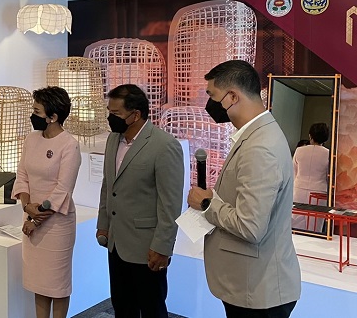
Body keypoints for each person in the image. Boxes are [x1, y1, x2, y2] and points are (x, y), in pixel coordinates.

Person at [188, 60, 301, 318]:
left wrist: (207, 204)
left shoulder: (260, 146)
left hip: (258, 292)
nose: (209, 104)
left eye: (212, 96)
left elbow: (250, 226)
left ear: (232, 97)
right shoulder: (256, 135)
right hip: (251, 284)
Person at [96, 84, 184, 318]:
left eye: (115, 113)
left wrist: (162, 247)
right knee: (122, 306)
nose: (110, 118)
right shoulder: (113, 140)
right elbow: (108, 186)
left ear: (135, 114)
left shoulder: (164, 145)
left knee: (152, 308)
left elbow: (170, 204)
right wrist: (103, 225)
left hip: (147, 248)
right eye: (109, 112)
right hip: (116, 243)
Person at [11, 86, 81, 318]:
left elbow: (62, 190)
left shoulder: (69, 145)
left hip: (56, 225)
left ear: (53, 117)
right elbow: (22, 176)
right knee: (39, 284)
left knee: (57, 286)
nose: (33, 116)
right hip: (31, 218)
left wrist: (35, 219)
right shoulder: (31, 139)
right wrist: (26, 207)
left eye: (36, 111)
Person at [292, 122, 330, 231]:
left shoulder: (299, 150)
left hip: (299, 189)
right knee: (315, 226)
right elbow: (328, 176)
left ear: (310, 135)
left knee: (295, 223)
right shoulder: (328, 153)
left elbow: (293, 171)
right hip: (319, 191)